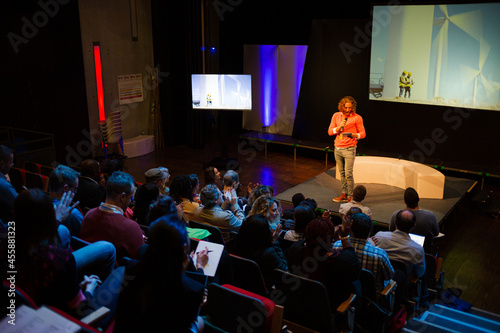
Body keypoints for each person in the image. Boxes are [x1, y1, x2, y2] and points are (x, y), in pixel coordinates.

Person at [5, 189, 118, 320]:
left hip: (27, 308)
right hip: (60, 319)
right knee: (121, 272)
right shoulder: (59, 259)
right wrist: (89, 290)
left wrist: (74, 288)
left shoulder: (6, 244)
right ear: (49, 220)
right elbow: (80, 312)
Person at [114, 215, 205, 332]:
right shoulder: (192, 290)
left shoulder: (131, 268)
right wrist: (199, 267)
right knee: (201, 322)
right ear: (184, 249)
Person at [287, 217, 361, 310]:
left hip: (298, 306)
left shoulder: (295, 249)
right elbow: (355, 271)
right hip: (330, 310)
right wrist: (345, 237)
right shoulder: (344, 261)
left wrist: (318, 225)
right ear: (331, 239)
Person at [81, 171, 144, 260]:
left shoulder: (88, 214)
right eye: (131, 197)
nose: (130, 201)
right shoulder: (130, 227)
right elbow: (140, 260)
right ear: (122, 197)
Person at [333, 212, 394, 294]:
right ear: (369, 232)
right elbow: (389, 276)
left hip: (347, 295)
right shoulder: (379, 254)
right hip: (372, 299)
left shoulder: (336, 246)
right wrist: (373, 248)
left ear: (350, 229)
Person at [227, 214, 287, 290]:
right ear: (264, 232)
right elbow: (283, 271)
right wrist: (274, 242)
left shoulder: (233, 243)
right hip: (259, 293)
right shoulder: (268, 253)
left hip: (235, 287)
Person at [328, 96, 366, 202]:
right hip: (338, 148)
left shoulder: (357, 118)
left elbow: (363, 134)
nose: (348, 110)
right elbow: (330, 132)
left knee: (348, 173)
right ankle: (344, 194)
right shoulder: (336, 116)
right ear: (342, 106)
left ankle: (350, 196)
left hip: (349, 148)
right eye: (346, 107)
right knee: (342, 173)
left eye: (350, 108)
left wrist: (355, 135)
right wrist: (338, 127)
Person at [389, 187, 439, 253]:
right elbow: (436, 233)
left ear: (405, 201)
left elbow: (391, 231)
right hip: (424, 252)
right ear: (418, 199)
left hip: (399, 250)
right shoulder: (429, 216)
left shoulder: (396, 215)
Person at [48, 165, 84, 237]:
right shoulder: (73, 213)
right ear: (66, 188)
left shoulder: (39, 204)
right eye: (75, 188)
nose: (75, 192)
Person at [0, 145, 17, 225]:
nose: (12, 164)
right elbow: (22, 206)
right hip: (9, 227)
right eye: (10, 162)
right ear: (2, 164)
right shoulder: (4, 186)